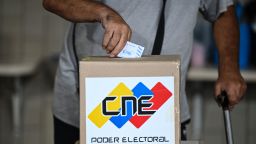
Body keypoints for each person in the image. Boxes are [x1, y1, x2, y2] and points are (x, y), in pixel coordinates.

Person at [42, 0, 247, 143]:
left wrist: (229, 67)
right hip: (92, 103)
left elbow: (223, 11)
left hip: (158, 100)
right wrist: (103, 13)